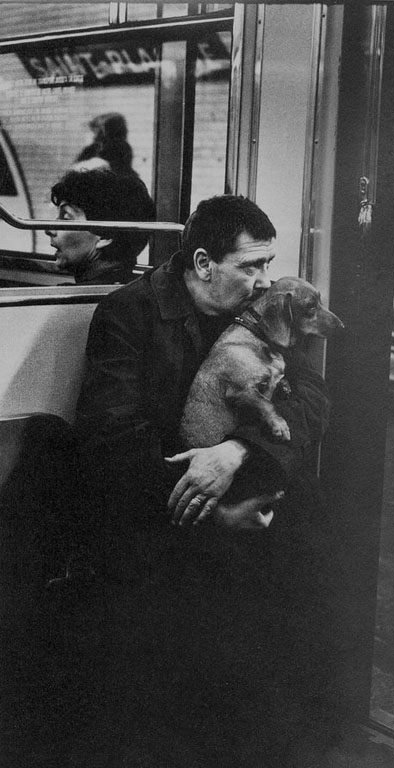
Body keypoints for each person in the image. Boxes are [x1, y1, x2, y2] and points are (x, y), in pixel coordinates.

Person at [72, 195, 334, 767]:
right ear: (203, 263)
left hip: (250, 484)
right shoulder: (128, 314)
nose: (266, 281)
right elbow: (114, 438)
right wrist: (213, 511)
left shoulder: (278, 309)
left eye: (270, 264)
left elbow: (311, 404)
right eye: (251, 267)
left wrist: (237, 452)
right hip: (164, 509)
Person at [45, 167, 155, 285]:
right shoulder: (134, 289)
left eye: (66, 218)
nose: (49, 230)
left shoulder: (72, 298)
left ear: (104, 236)